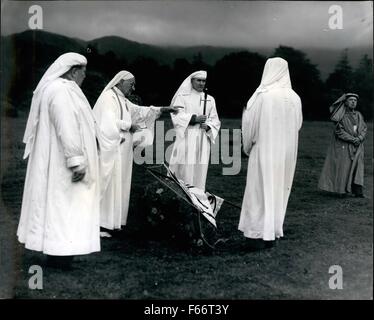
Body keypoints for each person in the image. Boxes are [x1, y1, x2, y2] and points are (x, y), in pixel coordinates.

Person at [17, 52, 101, 268]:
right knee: (64, 207)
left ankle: (59, 253)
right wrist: (76, 161)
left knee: (61, 207)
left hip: (57, 161)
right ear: (73, 71)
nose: (85, 75)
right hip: (61, 164)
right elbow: (67, 127)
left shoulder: (59, 89)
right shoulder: (61, 91)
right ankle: (61, 255)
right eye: (83, 71)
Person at [93, 71, 180, 232]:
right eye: (131, 84)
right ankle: (99, 222)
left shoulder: (122, 100)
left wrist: (163, 109)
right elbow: (106, 122)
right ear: (120, 82)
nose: (133, 88)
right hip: (111, 150)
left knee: (119, 183)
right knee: (108, 183)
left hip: (122, 150)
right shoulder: (108, 98)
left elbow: (140, 111)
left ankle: (113, 222)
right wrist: (128, 126)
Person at [239, 57, 303, 249]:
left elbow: (249, 124)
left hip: (265, 149)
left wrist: (248, 147)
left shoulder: (262, 95)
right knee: (279, 188)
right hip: (286, 151)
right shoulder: (295, 97)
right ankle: (273, 231)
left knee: (259, 189)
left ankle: (256, 232)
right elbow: (297, 125)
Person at [168, 71, 221, 191]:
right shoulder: (182, 97)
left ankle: (197, 197)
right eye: (198, 80)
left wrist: (208, 126)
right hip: (186, 137)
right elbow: (176, 115)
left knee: (199, 169)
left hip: (203, 140)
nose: (201, 83)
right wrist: (194, 119)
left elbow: (215, 120)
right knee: (184, 167)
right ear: (191, 81)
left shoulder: (210, 99)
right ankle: (179, 194)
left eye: (203, 81)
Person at [318, 93, 367, 197]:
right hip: (344, 145)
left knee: (358, 168)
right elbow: (339, 131)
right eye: (351, 100)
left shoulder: (359, 115)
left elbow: (364, 129)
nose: (353, 102)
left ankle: (358, 192)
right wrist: (353, 139)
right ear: (345, 102)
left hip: (358, 146)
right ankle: (341, 190)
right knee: (344, 167)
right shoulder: (340, 115)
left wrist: (359, 138)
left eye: (355, 100)